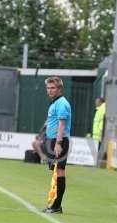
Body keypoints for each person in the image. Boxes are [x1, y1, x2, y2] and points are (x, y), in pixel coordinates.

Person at [41, 76, 72, 214]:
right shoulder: (54, 103)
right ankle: (53, 203)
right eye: (48, 88)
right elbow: (51, 121)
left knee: (59, 172)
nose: (49, 90)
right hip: (51, 140)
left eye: (52, 88)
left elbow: (62, 125)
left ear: (59, 88)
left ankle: (56, 205)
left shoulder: (62, 103)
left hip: (60, 141)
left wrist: (58, 144)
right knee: (55, 172)